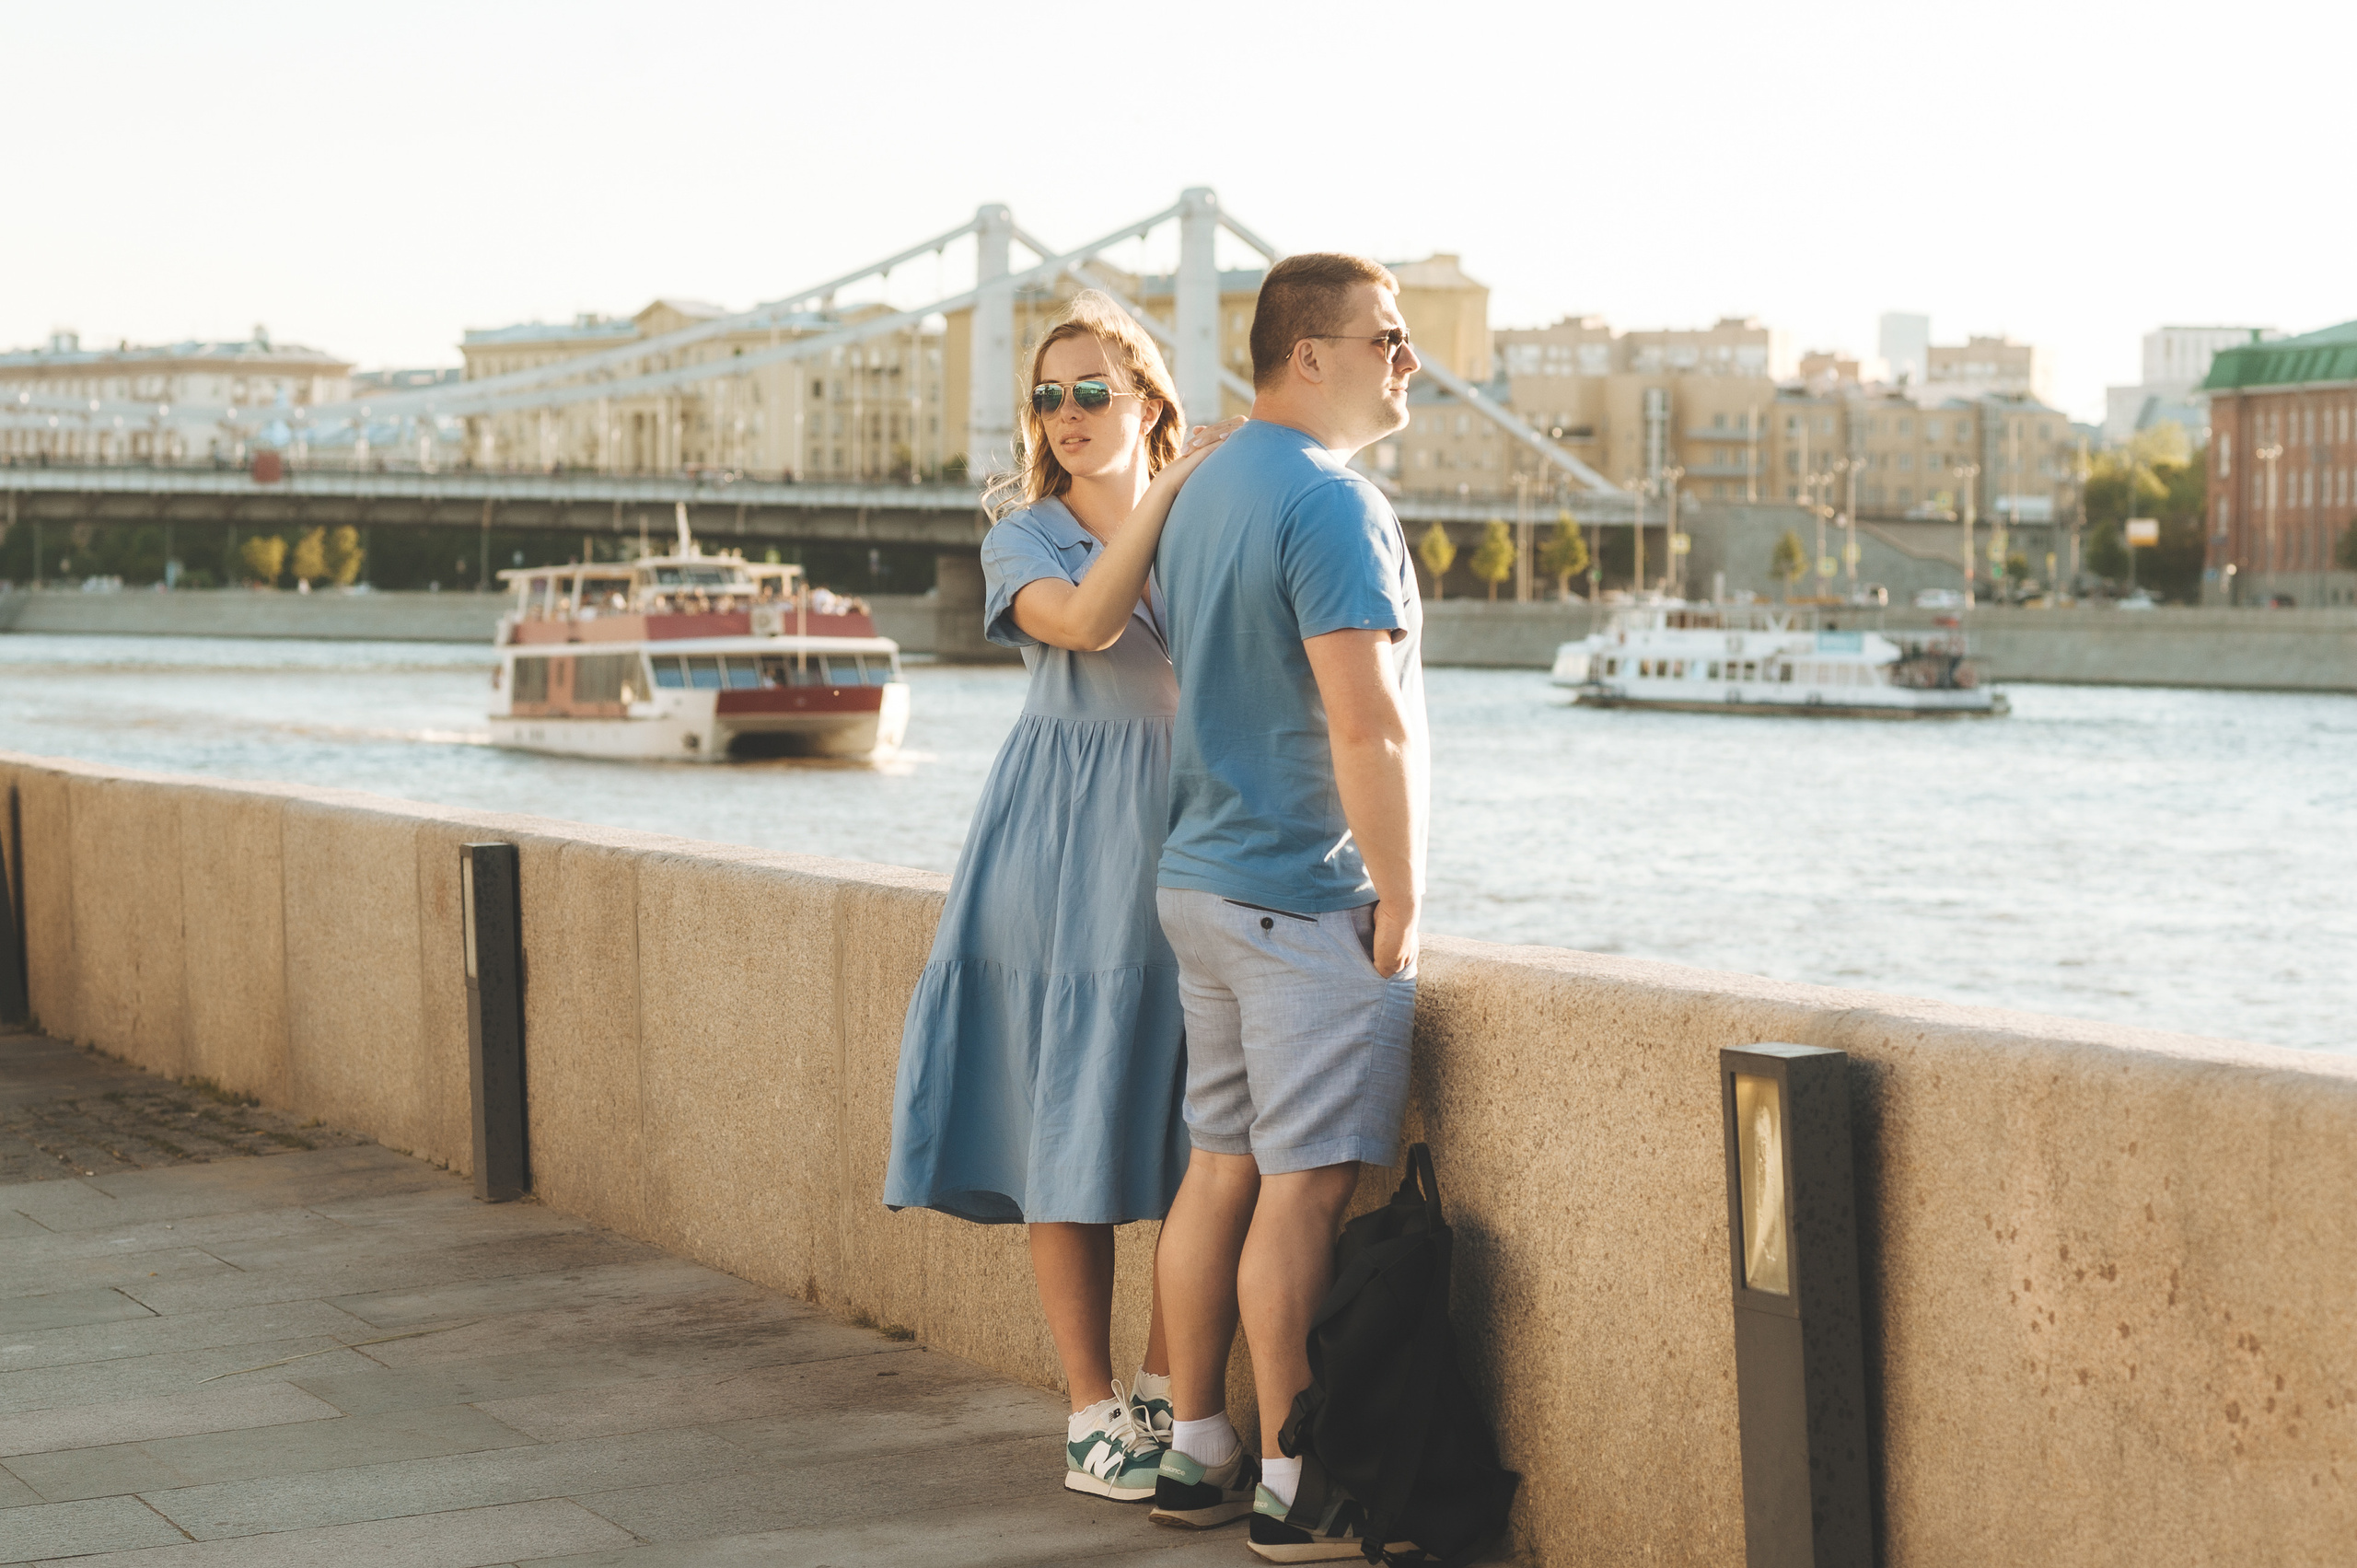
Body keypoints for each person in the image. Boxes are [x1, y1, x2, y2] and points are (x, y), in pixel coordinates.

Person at [885, 290, 1242, 1505]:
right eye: (1049, 397)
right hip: (1059, 841)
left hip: (1191, 834)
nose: (1068, 413)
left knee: (1208, 1126)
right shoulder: (1024, 537)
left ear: (1148, 402)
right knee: (1065, 1120)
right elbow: (1089, 625)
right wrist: (1172, 492)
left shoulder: (1210, 528)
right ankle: (1091, 1412)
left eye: (1094, 390)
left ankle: (1164, 1387)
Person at [1145, 253, 1430, 1562]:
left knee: (1219, 1171)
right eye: (1387, 337)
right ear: (1309, 355)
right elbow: (1365, 726)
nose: (1408, 360)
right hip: (1301, 897)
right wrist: (1400, 897)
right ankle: (1295, 1485)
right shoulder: (1330, 501)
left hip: (1200, 882)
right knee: (1303, 1194)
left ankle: (1193, 1448)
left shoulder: (1205, 489)